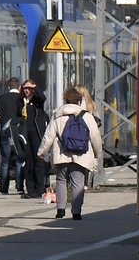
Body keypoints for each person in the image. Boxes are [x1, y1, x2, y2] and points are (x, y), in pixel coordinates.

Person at [38, 86, 103, 220]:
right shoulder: (87, 116)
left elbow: (48, 136)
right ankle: (76, 212)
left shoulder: (57, 115)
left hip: (61, 155)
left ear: (65, 100)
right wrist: (97, 152)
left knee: (61, 181)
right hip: (81, 155)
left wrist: (42, 151)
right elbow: (95, 137)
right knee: (78, 183)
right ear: (79, 101)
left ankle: (60, 210)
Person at [17, 80, 50, 199]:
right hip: (25, 135)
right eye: (25, 88)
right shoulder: (21, 101)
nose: (26, 90)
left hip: (36, 134)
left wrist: (35, 87)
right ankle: (30, 189)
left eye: (29, 88)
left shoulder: (36, 101)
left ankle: (39, 188)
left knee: (38, 161)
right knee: (28, 162)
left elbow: (43, 97)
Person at [0, 77, 24, 195]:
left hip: (5, 133)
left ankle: (4, 187)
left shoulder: (2, 98)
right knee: (19, 160)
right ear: (19, 87)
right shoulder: (22, 99)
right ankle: (19, 186)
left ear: (8, 87)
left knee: (5, 161)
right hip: (18, 134)